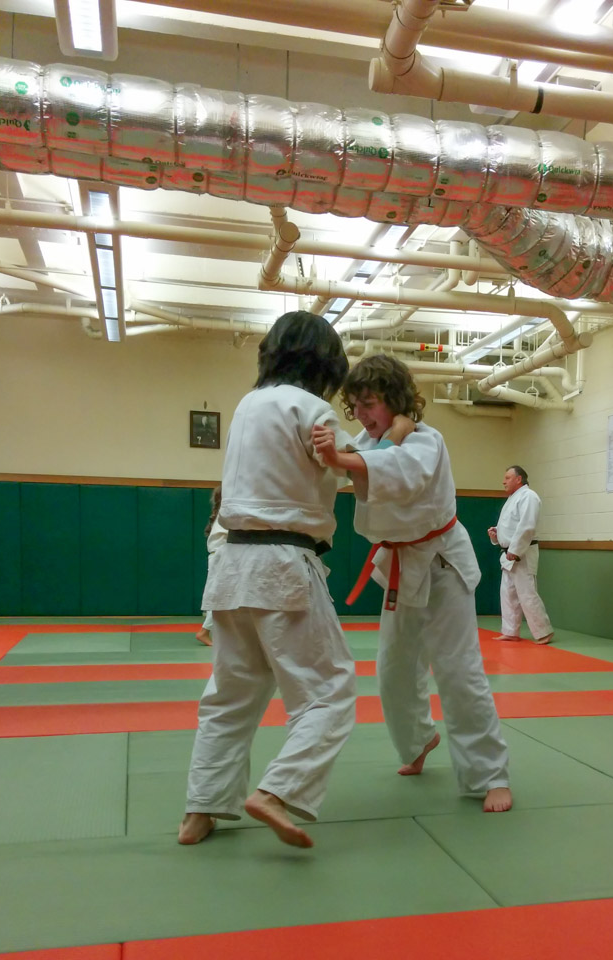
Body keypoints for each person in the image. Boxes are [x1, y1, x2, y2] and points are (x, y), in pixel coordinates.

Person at [178, 310, 357, 849]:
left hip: (231, 566)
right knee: (330, 691)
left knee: (231, 696)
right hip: (283, 562)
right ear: (325, 363)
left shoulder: (246, 406)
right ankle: (277, 791)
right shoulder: (312, 407)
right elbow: (351, 466)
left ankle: (200, 810)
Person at [312, 354, 512, 813]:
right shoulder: (367, 441)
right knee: (394, 670)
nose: (362, 415)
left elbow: (401, 475)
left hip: (442, 565)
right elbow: (354, 460)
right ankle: (419, 742)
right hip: (401, 566)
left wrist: (343, 456)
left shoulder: (427, 440)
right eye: (356, 406)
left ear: (395, 400)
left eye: (371, 404)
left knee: (459, 670)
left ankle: (490, 775)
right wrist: (332, 447)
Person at [487, 465, 554, 645]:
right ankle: (510, 631)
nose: (504, 481)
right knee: (508, 593)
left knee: (527, 593)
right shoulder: (513, 499)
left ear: (519, 479)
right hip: (509, 553)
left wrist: (515, 550)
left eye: (508, 478)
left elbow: (527, 526)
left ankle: (543, 631)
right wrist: (497, 534)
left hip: (522, 553)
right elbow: (512, 526)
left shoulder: (529, 496)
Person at [195, 484, 225, 647]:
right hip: (222, 556)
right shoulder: (226, 513)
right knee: (220, 596)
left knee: (218, 595)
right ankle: (205, 631)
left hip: (218, 556)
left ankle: (208, 630)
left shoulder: (221, 513)